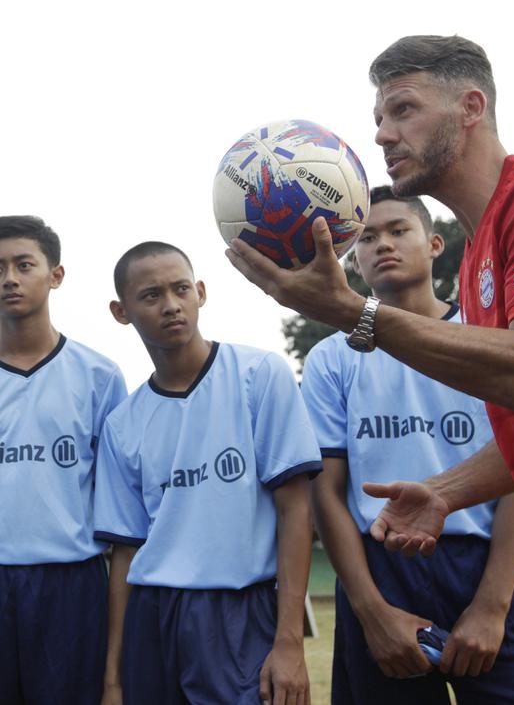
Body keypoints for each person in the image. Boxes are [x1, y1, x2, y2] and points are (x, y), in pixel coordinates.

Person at [225, 34, 514, 703]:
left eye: (403, 110)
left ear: (471, 107)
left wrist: (354, 313)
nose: (381, 135)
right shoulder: (480, 257)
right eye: (378, 118)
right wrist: (447, 491)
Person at [300, 185, 514, 703]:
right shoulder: (332, 358)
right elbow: (326, 492)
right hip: (379, 571)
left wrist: (493, 605)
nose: (383, 244)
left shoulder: (486, 337)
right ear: (353, 258)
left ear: (435, 244)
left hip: (484, 566)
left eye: (398, 230)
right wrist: (371, 612)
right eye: (367, 238)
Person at [95, 241, 320, 705]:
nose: (171, 305)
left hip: (242, 611)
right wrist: (113, 679)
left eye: (180, 289)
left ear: (200, 292)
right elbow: (125, 553)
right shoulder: (122, 423)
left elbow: (295, 510)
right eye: (151, 295)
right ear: (121, 312)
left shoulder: (260, 375)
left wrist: (289, 642)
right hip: (153, 617)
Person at [0, 215, 127, 705]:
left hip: (71, 582)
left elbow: (115, 494)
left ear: (56, 274)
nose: (9, 278)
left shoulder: (100, 377)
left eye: (24, 265)